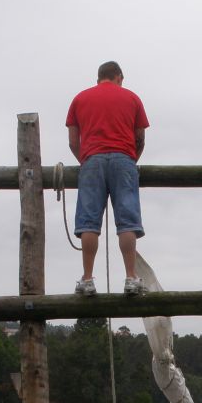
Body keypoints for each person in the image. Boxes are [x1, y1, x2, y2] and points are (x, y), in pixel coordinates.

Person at [66, 61, 150, 297]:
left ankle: (87, 279)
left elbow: (73, 142)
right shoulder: (132, 98)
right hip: (124, 159)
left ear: (99, 78)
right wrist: (131, 160)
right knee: (127, 220)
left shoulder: (80, 99)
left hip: (92, 160)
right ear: (119, 77)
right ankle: (131, 277)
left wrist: (86, 160)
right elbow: (140, 138)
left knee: (89, 222)